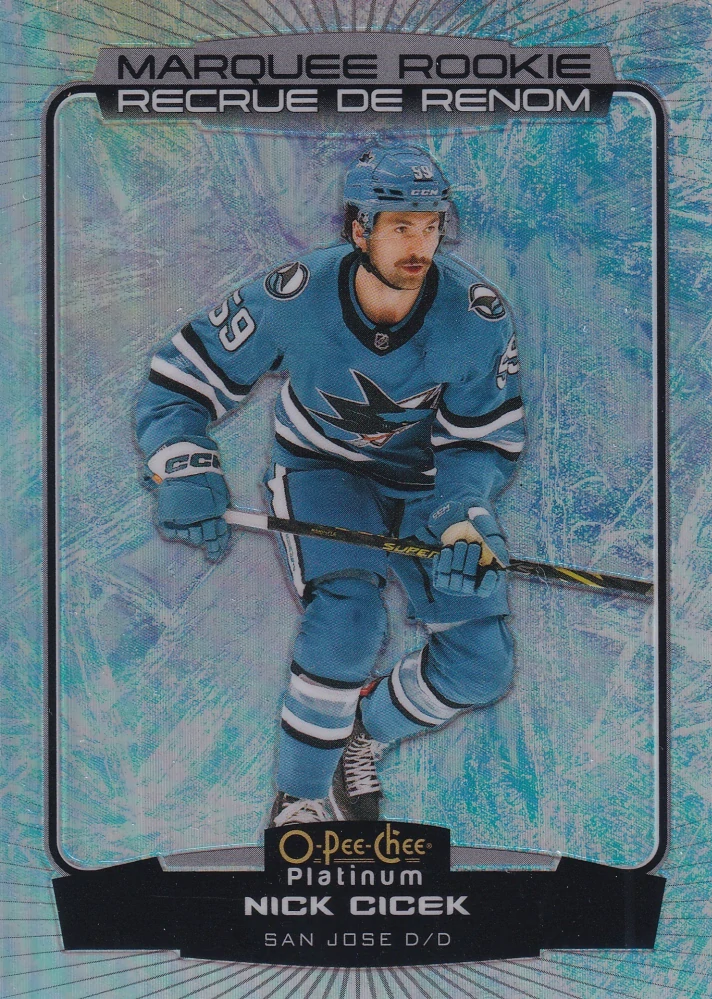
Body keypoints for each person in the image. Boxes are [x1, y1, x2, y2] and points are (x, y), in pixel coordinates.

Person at [136, 144, 525, 827]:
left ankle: (360, 732)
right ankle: (302, 796)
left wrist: (465, 514)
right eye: (400, 226)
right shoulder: (295, 294)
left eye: (430, 225)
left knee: (481, 665)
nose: (419, 244)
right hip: (323, 469)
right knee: (348, 621)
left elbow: (481, 437)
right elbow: (182, 380)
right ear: (358, 228)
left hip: (431, 483)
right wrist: (184, 462)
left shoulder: (478, 317)